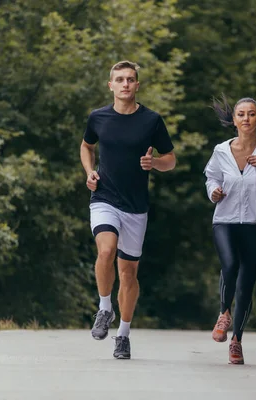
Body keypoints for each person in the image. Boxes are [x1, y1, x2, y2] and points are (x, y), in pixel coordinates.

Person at [80, 60, 176, 359]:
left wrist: (154, 163)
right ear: (110, 85)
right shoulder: (98, 117)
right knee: (106, 251)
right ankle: (104, 307)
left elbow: (170, 159)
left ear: (137, 85)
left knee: (128, 273)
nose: (125, 84)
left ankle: (123, 334)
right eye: (119, 80)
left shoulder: (151, 121)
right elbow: (87, 146)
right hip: (105, 197)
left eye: (130, 80)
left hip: (136, 206)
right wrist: (89, 171)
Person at [204, 95, 256, 364]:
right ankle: (223, 313)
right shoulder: (221, 151)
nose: (246, 119)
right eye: (241, 114)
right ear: (234, 119)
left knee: (246, 283)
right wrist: (213, 192)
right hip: (225, 219)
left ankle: (237, 341)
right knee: (229, 265)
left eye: (252, 114)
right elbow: (211, 177)